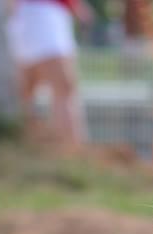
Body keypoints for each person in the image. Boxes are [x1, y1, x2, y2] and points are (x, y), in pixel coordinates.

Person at [7, 0, 90, 147]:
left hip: (34, 14)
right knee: (63, 89)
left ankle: (26, 152)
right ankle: (70, 153)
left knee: (25, 94)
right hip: (42, 14)